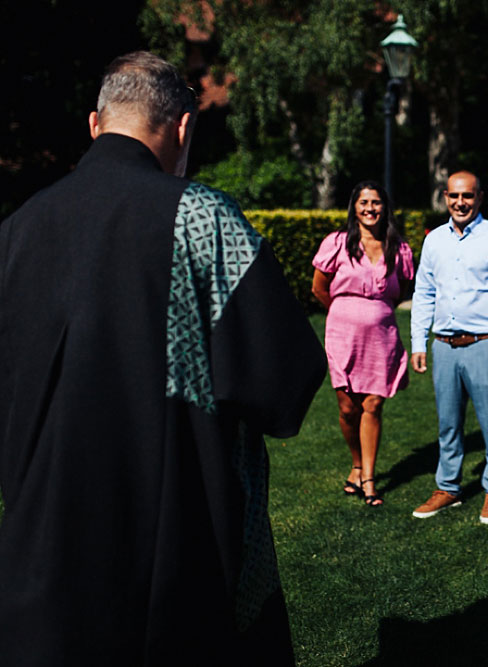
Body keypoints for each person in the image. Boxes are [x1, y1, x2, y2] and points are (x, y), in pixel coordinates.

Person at [0, 52, 327, 666]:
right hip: (173, 562)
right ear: (182, 130)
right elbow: (285, 385)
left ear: (95, 126)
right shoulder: (199, 218)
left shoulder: (16, 231)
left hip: (40, 562)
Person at [409, 170, 488, 525]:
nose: (461, 202)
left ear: (479, 198)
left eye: (468, 196)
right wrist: (419, 342)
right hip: (444, 345)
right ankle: (448, 486)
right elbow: (424, 293)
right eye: (454, 196)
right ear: (445, 197)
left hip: (485, 343)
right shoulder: (434, 241)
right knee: (448, 423)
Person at [311, 180, 414, 506]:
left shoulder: (398, 248)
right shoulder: (337, 243)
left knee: (373, 405)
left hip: (381, 336)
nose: (370, 208)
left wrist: (375, 311)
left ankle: (368, 477)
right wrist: (344, 312)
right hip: (342, 335)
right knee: (347, 408)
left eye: (376, 202)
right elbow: (319, 288)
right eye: (364, 202)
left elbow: (404, 290)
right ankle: (355, 463)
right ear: (354, 207)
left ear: (385, 208)